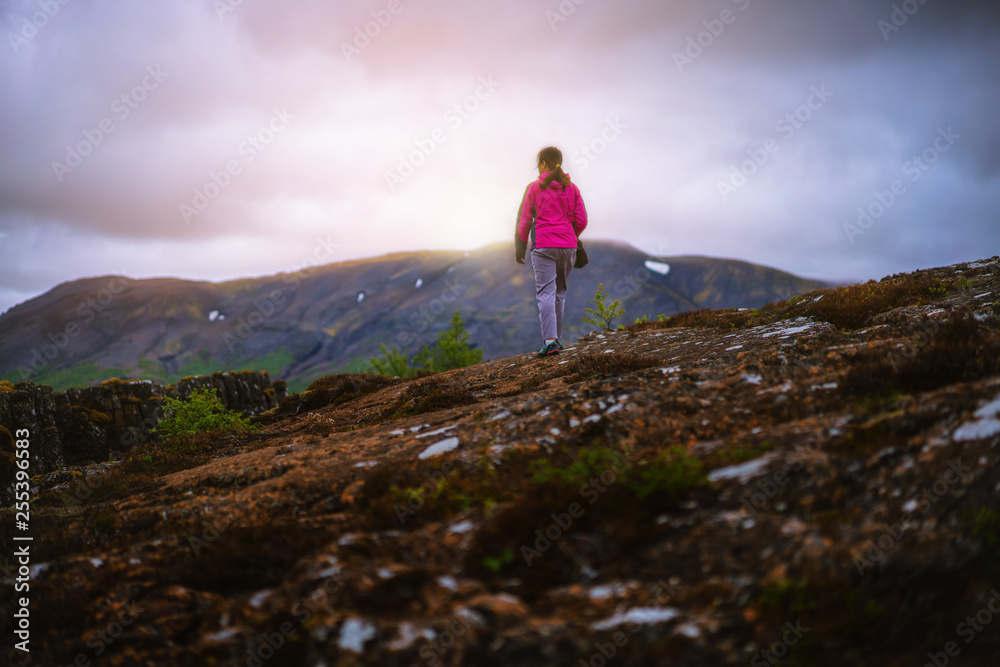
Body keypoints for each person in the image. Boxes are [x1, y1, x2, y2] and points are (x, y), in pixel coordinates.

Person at [515, 146, 588, 357]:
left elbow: (525, 221)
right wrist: (567, 234)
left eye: (539, 163)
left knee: (545, 293)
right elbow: (581, 220)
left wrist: (520, 245)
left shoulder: (534, 188)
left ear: (544, 164)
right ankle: (556, 339)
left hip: (544, 247)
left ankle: (550, 342)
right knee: (560, 292)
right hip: (568, 247)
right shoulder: (572, 188)